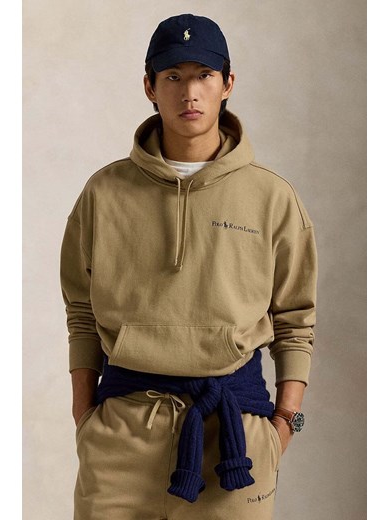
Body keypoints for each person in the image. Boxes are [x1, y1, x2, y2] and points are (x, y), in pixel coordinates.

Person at [60, 13, 317, 520]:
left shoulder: (272, 197)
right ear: (150, 87)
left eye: (203, 75)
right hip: (121, 436)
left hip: (233, 439)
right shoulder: (103, 193)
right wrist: (84, 413)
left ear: (228, 84)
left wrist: (284, 421)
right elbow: (82, 311)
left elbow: (295, 320)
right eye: (173, 76)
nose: (189, 92)